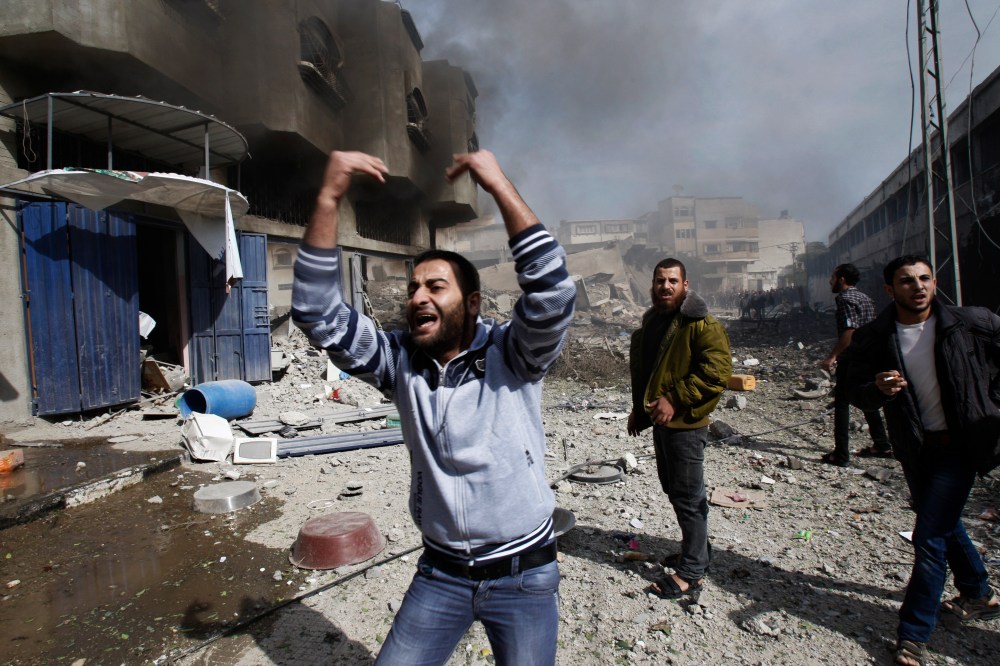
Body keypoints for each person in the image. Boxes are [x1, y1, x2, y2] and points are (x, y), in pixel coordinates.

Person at [291, 150, 576, 665]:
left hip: (523, 575)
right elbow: (317, 313)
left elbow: (553, 292)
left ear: (471, 303)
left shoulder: (513, 353)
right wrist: (329, 196)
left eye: (435, 286)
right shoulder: (398, 361)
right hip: (441, 573)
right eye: (412, 288)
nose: (418, 296)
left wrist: (496, 183)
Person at [844, 255, 1000, 666]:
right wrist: (877, 388)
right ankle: (979, 591)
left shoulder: (971, 323)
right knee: (942, 523)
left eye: (924, 278)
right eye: (906, 280)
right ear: (889, 289)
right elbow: (854, 388)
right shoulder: (877, 336)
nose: (917, 286)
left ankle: (913, 634)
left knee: (929, 537)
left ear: (935, 282)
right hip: (915, 446)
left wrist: (992, 404)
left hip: (961, 446)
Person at [626, 258, 732, 598]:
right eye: (660, 281)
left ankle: (691, 573)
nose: (666, 286)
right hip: (662, 421)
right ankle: (697, 552)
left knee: (688, 497)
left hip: (686, 423)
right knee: (674, 489)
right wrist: (639, 411)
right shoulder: (654, 320)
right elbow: (650, 372)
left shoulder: (701, 324)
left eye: (673, 280)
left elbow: (716, 373)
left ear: (685, 285)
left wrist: (674, 398)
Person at [819, 263, 891, 466]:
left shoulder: (845, 299)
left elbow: (849, 332)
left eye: (833, 277)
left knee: (842, 403)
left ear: (841, 279)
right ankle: (882, 444)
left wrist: (832, 356)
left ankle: (841, 454)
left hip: (852, 358)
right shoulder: (865, 298)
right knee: (868, 399)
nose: (830, 281)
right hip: (871, 356)